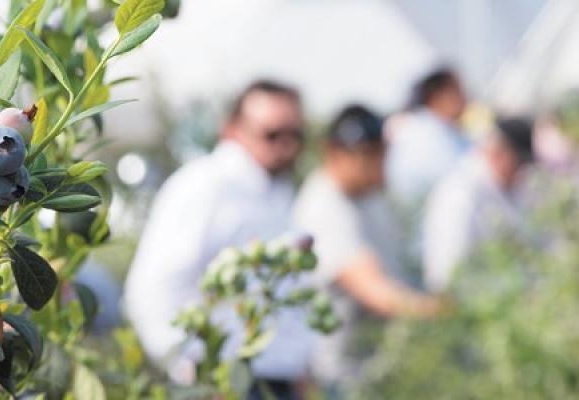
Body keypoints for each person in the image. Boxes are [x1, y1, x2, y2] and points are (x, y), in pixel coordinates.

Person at [124, 80, 312, 397]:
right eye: (272, 134)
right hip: (222, 382)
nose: (286, 146)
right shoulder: (204, 186)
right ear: (232, 130)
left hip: (276, 381)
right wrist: (190, 373)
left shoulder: (277, 189)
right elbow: (150, 289)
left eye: (296, 135)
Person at [292, 105, 441, 394]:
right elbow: (374, 290)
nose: (377, 163)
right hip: (340, 378)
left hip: (378, 370)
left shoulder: (372, 197)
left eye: (380, 152)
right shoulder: (323, 206)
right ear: (332, 152)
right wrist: (440, 312)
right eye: (365, 154)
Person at [423, 117, 535, 292]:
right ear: (498, 153)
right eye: (519, 163)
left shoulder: (506, 187)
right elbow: (447, 276)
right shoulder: (460, 194)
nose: (521, 171)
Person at [385, 68, 471, 207]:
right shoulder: (422, 134)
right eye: (459, 91)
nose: (466, 97)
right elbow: (463, 178)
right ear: (439, 96)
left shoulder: (440, 129)